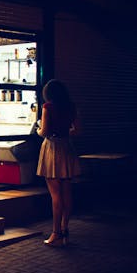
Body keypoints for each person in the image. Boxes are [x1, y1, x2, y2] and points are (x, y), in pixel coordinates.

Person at [36, 79, 81, 247]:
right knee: (67, 192)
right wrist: (65, 131)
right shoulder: (71, 106)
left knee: (55, 194)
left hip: (53, 148)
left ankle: (56, 233)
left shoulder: (48, 107)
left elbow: (45, 131)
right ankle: (65, 230)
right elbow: (77, 130)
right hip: (67, 148)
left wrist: (38, 129)